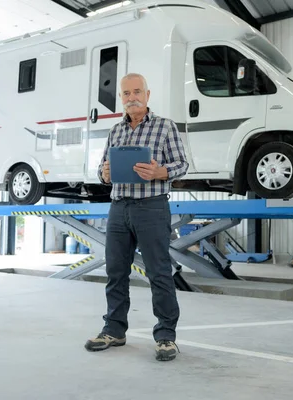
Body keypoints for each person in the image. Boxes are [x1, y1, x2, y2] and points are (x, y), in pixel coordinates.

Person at [84, 73, 189, 361]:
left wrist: (160, 172)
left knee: (159, 273)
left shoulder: (165, 127)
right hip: (118, 208)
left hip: (152, 208)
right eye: (126, 93)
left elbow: (182, 164)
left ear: (148, 94)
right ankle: (114, 329)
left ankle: (166, 336)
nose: (132, 97)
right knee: (115, 272)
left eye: (137, 91)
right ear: (121, 98)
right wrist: (103, 174)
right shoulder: (115, 131)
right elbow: (102, 169)